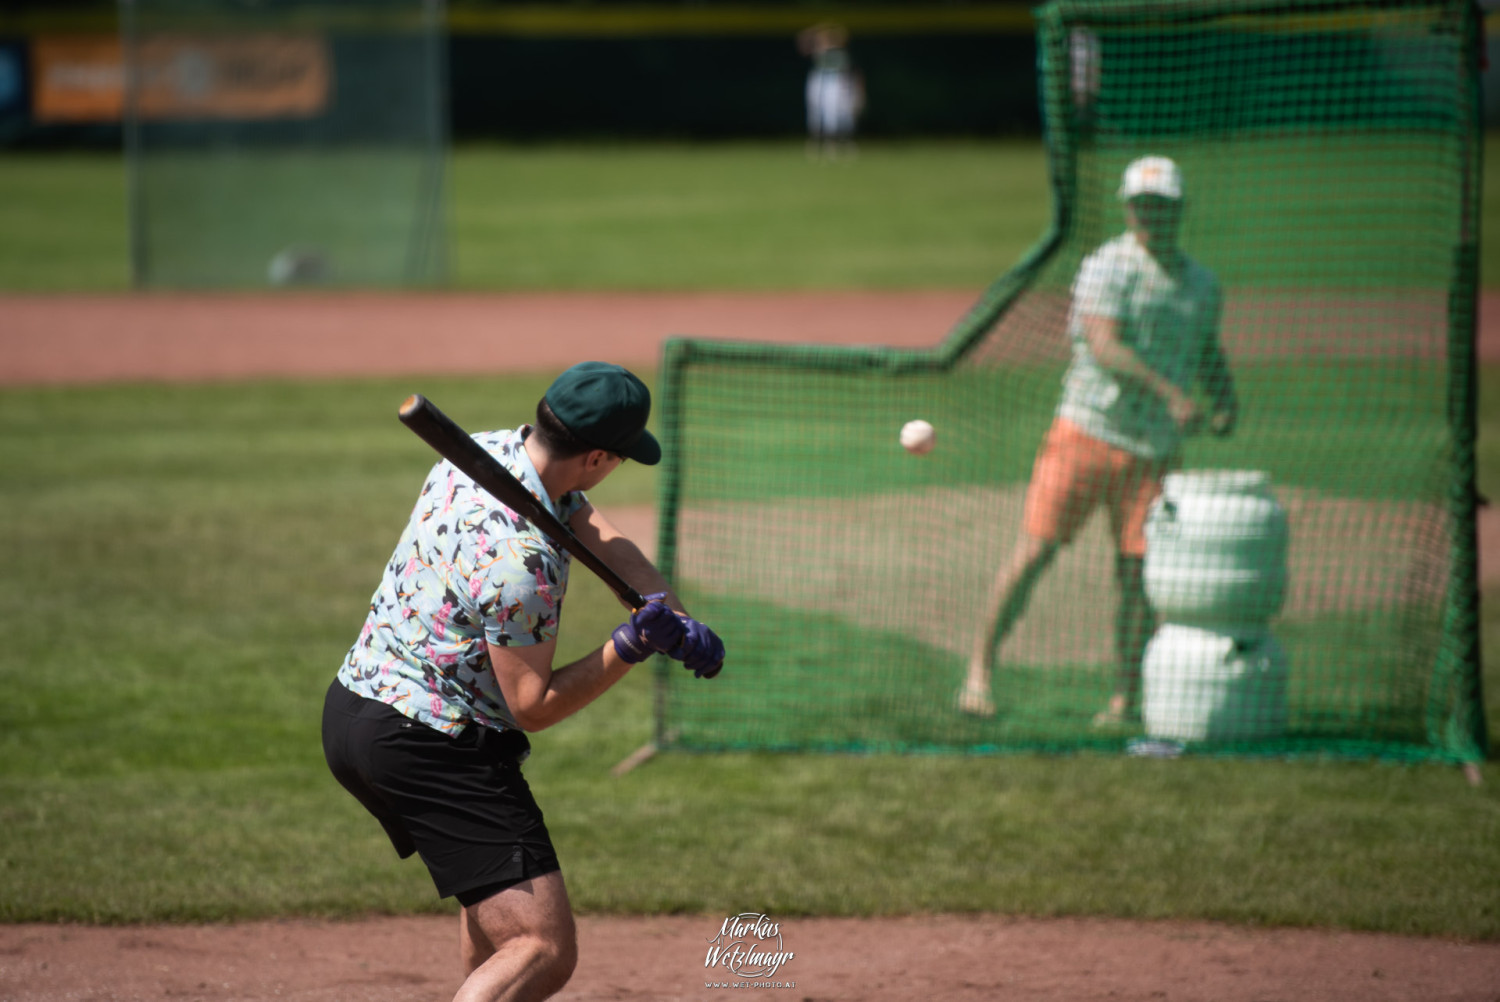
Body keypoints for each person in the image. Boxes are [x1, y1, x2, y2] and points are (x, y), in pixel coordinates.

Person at [322, 361, 725, 1002]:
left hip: (358, 706)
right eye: (620, 457)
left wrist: (667, 608)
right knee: (541, 948)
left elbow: (593, 529)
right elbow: (533, 707)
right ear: (596, 456)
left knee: (498, 926)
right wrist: (630, 646)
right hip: (427, 741)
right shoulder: (521, 565)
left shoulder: (492, 451)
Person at [960, 156, 1237, 727]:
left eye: (1161, 204)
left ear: (1178, 209)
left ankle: (1123, 699)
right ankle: (979, 672)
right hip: (1086, 431)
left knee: (1138, 576)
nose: (1149, 213)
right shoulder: (1107, 267)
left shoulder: (1202, 284)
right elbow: (1104, 345)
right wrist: (1169, 392)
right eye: (1141, 203)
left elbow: (1206, 350)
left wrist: (1223, 395)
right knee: (1036, 552)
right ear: (1127, 207)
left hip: (1154, 452)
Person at [797, 22, 864, 159]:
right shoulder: (819, 49)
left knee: (836, 113)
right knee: (816, 112)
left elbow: (843, 35)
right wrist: (818, 28)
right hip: (820, 80)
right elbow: (802, 41)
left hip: (836, 82)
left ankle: (835, 144)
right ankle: (817, 143)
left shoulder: (841, 51)